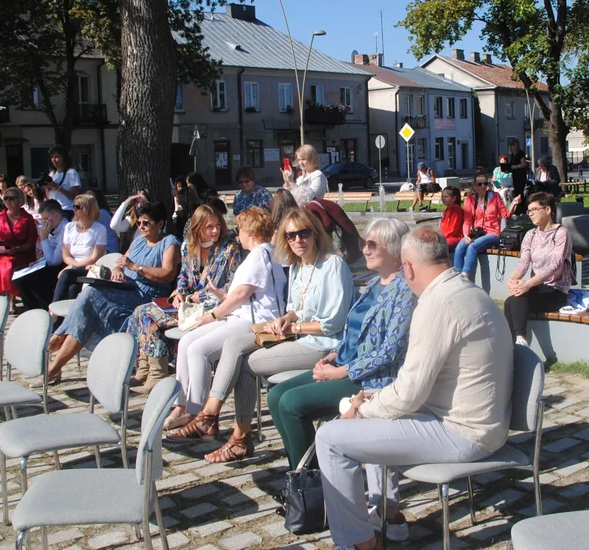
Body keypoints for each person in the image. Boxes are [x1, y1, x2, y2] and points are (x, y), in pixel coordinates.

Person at [316, 227, 513, 550]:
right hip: (476, 422)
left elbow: (409, 393)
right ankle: (388, 515)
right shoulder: (465, 289)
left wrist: (362, 409)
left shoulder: (437, 304)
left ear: (407, 267)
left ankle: (360, 543)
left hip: (462, 432)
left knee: (330, 439)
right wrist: (371, 401)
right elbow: (413, 387)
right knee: (371, 414)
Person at [167, 208, 352, 464]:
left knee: (246, 364)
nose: (297, 240)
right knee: (233, 344)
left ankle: (230, 432)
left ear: (316, 233)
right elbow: (296, 309)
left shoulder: (333, 265)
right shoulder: (299, 266)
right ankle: (218, 423)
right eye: (290, 236)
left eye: (303, 233)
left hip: (325, 345)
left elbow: (334, 323)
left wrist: (293, 328)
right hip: (298, 336)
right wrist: (285, 319)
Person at [267, 219, 415, 473]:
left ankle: (310, 481)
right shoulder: (373, 284)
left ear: (393, 250)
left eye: (371, 245)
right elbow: (355, 332)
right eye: (363, 243)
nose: (364, 249)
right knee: (275, 396)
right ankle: (303, 478)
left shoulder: (404, 289)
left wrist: (341, 372)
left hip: (371, 378)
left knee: (291, 404)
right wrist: (334, 356)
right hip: (344, 363)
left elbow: (390, 351)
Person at [163, 208, 286, 434]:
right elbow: (243, 292)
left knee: (199, 350)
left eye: (240, 229)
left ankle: (198, 413)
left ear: (249, 231)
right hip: (241, 315)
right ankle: (181, 404)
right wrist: (222, 297)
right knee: (186, 342)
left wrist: (212, 315)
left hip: (254, 321)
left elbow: (241, 295)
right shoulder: (261, 254)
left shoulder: (259, 255)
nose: (237, 234)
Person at [47, 201, 181, 379]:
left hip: (148, 295)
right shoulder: (139, 240)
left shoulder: (168, 242)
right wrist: (118, 270)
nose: (141, 227)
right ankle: (54, 367)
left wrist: (135, 267)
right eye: (139, 223)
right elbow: (121, 261)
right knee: (88, 307)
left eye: (146, 223)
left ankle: (60, 339)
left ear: (160, 223)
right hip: (126, 290)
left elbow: (168, 274)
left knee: (91, 296)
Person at [126, 205, 241, 393]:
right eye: (209, 227)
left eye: (217, 226)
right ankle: (145, 368)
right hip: (189, 303)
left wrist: (199, 295)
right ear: (198, 228)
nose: (215, 231)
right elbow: (184, 277)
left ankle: (157, 373)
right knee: (140, 311)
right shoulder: (189, 245)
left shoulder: (228, 248)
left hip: (213, 305)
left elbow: (230, 285)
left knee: (148, 314)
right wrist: (179, 292)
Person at [503, 192, 574, 345]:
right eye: (529, 211)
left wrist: (528, 284)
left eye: (535, 209)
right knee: (510, 300)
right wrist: (513, 280)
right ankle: (514, 343)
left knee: (516, 299)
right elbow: (523, 263)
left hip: (556, 290)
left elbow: (555, 266)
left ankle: (519, 341)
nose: (531, 214)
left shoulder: (561, 233)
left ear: (547, 210)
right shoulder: (531, 234)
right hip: (538, 287)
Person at [454, 171, 520, 281]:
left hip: (492, 233)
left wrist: (513, 203)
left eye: (485, 183)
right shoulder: (470, 199)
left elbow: (505, 215)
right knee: (460, 247)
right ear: (475, 186)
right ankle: (456, 277)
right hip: (477, 232)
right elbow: (467, 220)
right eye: (480, 184)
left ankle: (464, 276)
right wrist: (466, 235)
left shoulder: (495, 196)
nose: (483, 186)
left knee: (472, 247)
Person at [14, 199, 68, 312]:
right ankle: (32, 310)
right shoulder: (52, 228)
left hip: (62, 266)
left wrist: (44, 238)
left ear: (57, 216)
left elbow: (54, 261)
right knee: (18, 273)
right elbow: (49, 256)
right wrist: (38, 262)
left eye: (45, 218)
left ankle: (47, 310)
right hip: (51, 262)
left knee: (33, 277)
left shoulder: (66, 229)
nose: (44, 222)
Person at [53, 193, 108, 303]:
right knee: (72, 288)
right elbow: (66, 255)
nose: (74, 209)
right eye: (73, 206)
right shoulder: (69, 227)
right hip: (74, 267)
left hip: (90, 268)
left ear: (88, 209)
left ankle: (53, 309)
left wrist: (74, 267)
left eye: (78, 207)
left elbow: (95, 257)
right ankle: (64, 316)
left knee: (66, 274)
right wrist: (73, 266)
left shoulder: (100, 229)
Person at [43, 145, 82, 219]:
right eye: (52, 157)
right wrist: (47, 188)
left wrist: (58, 188)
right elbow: (50, 196)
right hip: (53, 210)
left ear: (64, 158)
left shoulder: (71, 173)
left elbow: (74, 196)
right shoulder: (52, 173)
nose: (54, 160)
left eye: (56, 157)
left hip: (67, 209)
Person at [440, 187, 464, 255]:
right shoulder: (445, 211)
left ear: (453, 198)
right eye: (442, 196)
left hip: (455, 237)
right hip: (446, 237)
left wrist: (443, 237)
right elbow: (442, 227)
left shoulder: (457, 210)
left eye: (446, 196)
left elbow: (453, 228)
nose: (443, 198)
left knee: (440, 247)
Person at [507, 140, 529, 212]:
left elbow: (524, 164)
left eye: (514, 145)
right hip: (515, 175)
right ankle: (517, 208)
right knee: (516, 192)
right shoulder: (512, 155)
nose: (513, 147)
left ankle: (522, 208)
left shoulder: (520, 153)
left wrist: (515, 167)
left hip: (520, 175)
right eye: (512, 145)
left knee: (520, 192)